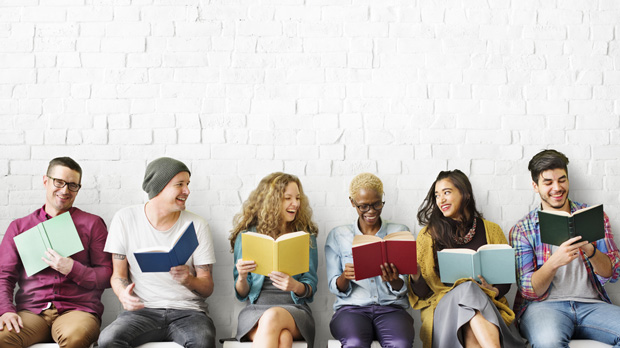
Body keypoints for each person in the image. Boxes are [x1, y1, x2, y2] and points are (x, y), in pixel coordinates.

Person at [98, 157, 216, 348]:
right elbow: (117, 275)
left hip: (188, 312)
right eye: (180, 184)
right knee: (108, 340)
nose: (187, 191)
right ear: (159, 187)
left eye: (187, 184)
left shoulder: (197, 225)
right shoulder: (125, 219)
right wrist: (123, 295)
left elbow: (207, 287)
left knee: (203, 341)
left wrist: (189, 280)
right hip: (142, 311)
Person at [510, 149, 620, 347]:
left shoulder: (595, 218)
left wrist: (590, 249)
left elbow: (612, 273)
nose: (557, 188)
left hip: (592, 306)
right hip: (544, 308)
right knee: (548, 343)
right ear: (535, 186)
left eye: (562, 180)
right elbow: (529, 290)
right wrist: (554, 262)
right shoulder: (522, 229)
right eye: (548, 182)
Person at [0, 157, 112, 348]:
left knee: (74, 337)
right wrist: (5, 310)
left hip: (78, 311)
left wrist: (73, 268)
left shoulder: (92, 224)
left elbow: (108, 275)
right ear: (46, 181)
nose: (65, 190)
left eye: (72, 185)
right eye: (59, 182)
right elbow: (4, 275)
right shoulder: (19, 226)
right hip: (31, 313)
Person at [409, 170, 524, 348]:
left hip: (485, 306)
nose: (441, 200)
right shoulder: (427, 236)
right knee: (468, 287)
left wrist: (492, 290)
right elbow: (424, 294)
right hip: (445, 311)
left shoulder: (491, 230)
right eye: (437, 195)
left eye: (447, 192)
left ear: (465, 193)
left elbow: (504, 281)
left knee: (470, 316)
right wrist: (415, 274)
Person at [325, 173, 415, 348]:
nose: (371, 211)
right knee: (354, 343)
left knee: (400, 343)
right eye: (363, 206)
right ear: (352, 202)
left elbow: (404, 286)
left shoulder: (399, 231)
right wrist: (345, 277)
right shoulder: (339, 235)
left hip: (391, 309)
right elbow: (334, 285)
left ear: (382, 199)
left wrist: (394, 280)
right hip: (351, 309)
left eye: (376, 204)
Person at [231, 172, 319, 348]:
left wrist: (295, 286)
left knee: (273, 317)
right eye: (288, 198)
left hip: (295, 310)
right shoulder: (248, 235)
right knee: (283, 338)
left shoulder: (305, 236)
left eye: (297, 198)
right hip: (255, 311)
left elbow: (310, 288)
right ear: (272, 201)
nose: (295, 204)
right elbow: (242, 294)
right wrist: (241, 277)